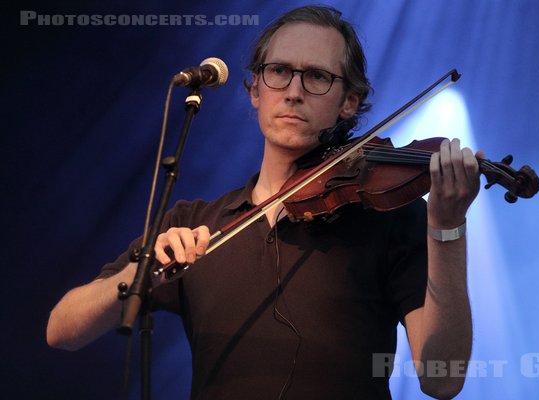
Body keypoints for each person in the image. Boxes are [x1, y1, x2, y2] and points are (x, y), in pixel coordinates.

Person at [47, 5, 480, 400]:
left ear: (349, 102)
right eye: (279, 72)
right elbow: (61, 329)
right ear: (255, 90)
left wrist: (447, 227)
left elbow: (443, 377)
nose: (293, 91)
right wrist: (141, 271)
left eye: (316, 77)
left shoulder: (389, 216)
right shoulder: (194, 224)